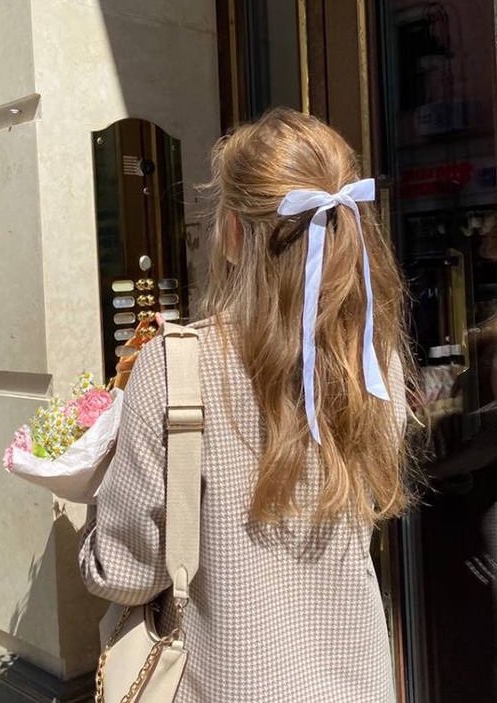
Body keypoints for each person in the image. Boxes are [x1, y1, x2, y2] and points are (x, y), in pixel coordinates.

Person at [79, 107, 412, 703]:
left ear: (233, 232)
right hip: (357, 684)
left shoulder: (175, 367)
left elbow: (125, 573)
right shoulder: (372, 362)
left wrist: (90, 499)